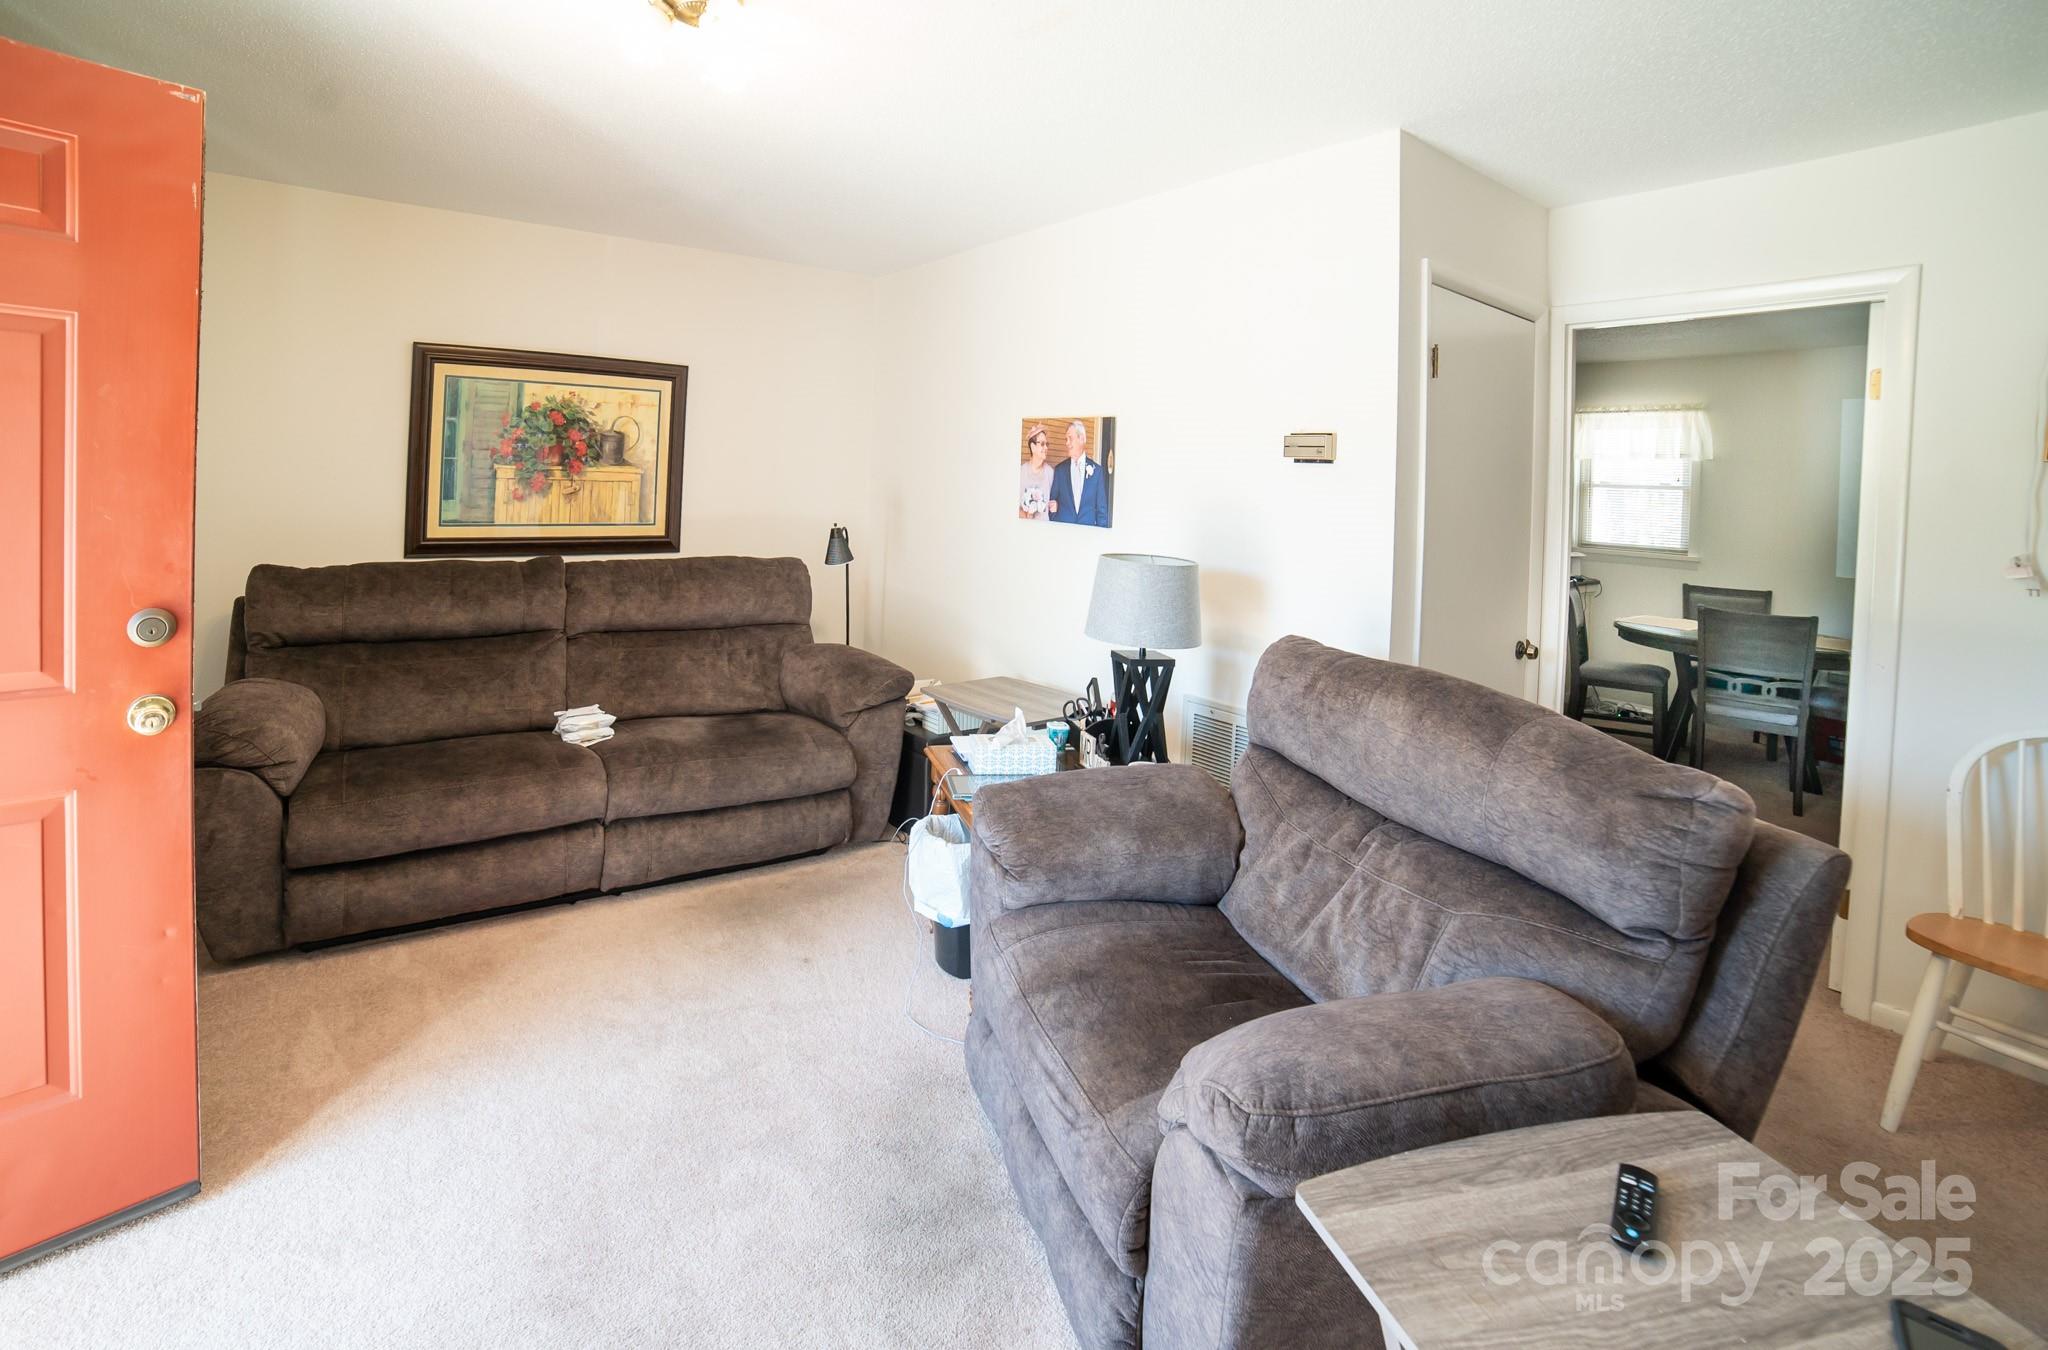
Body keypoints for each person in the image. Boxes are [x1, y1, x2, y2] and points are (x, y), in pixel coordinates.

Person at [1049, 420, 1108, 527]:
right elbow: (1051, 504)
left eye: (1070, 438)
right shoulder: (1059, 470)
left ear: (1081, 439)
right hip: (1063, 533)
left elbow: (1101, 511)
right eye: (1066, 439)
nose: (1067, 443)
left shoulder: (1097, 472)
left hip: (1088, 535)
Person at [1019, 423, 1053, 520]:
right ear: (1033, 447)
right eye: (1042, 444)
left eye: (1047, 444)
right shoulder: (1021, 472)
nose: (1046, 447)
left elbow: (1054, 502)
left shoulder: (1050, 473)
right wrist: (1025, 515)